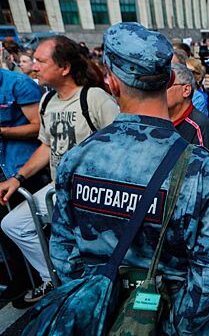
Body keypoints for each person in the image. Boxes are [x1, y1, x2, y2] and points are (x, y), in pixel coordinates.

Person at [49, 22, 209, 335]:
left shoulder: (77, 159)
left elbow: (64, 254)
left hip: (100, 317)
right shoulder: (203, 169)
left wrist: (96, 306)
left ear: (111, 83)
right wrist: (177, 327)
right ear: (171, 78)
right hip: (174, 320)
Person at [0, 35, 119, 303]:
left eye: (41, 61)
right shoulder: (46, 102)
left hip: (94, 195)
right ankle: (52, 279)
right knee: (14, 224)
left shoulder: (94, 97)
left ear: (64, 67)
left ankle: (95, 296)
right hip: (59, 190)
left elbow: (121, 145)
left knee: (91, 254)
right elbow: (46, 147)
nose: (34, 67)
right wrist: (18, 178)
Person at [0, 68, 49, 307]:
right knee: (5, 230)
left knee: (32, 229)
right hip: (4, 169)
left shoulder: (18, 83)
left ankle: (44, 281)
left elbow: (40, 128)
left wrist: (2, 131)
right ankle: (20, 279)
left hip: (22, 167)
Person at [167, 63, 209, 154]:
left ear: (186, 90)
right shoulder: (157, 119)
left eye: (167, 85)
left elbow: (205, 165)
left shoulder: (200, 126)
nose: (159, 91)